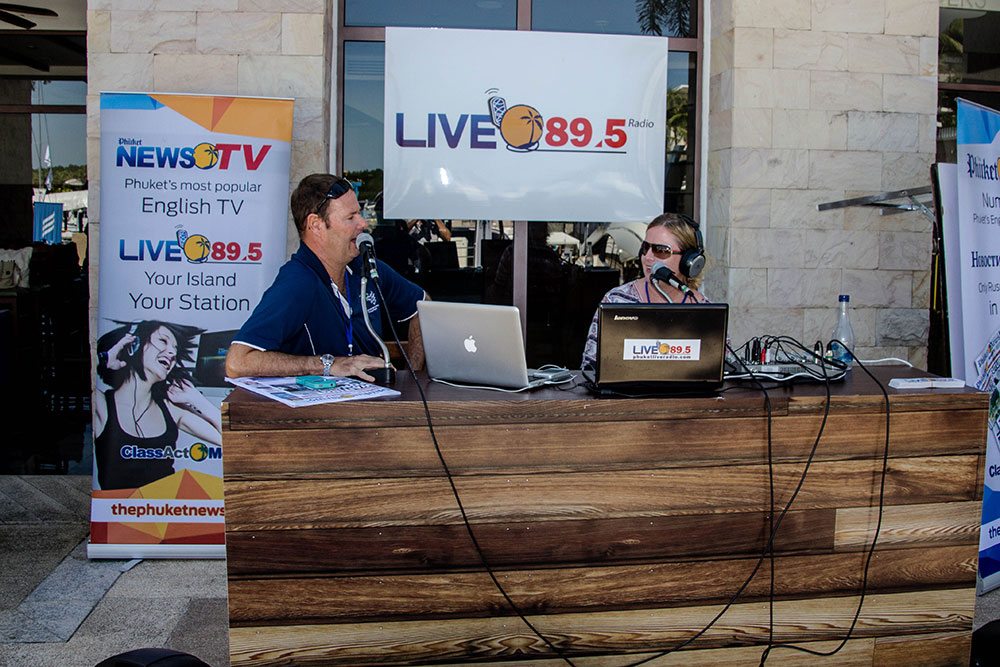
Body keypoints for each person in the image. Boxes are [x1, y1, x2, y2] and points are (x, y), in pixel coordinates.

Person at [225, 173, 427, 381]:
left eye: (359, 214)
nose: (363, 223)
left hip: (375, 397)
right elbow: (237, 362)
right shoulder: (298, 282)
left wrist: (413, 376)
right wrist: (328, 364)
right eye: (351, 217)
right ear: (316, 225)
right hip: (321, 401)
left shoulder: (365, 267)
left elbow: (421, 305)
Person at [94, 320, 222, 490]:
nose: (172, 352)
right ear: (134, 345)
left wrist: (197, 400)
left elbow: (228, 439)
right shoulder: (102, 405)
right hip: (119, 506)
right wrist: (105, 359)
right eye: (163, 341)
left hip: (169, 505)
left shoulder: (170, 409)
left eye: (175, 349)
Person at [581, 213, 709, 369]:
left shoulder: (704, 310)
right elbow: (590, 367)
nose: (648, 257)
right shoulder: (617, 300)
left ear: (689, 260)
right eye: (645, 247)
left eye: (660, 250)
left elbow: (722, 368)